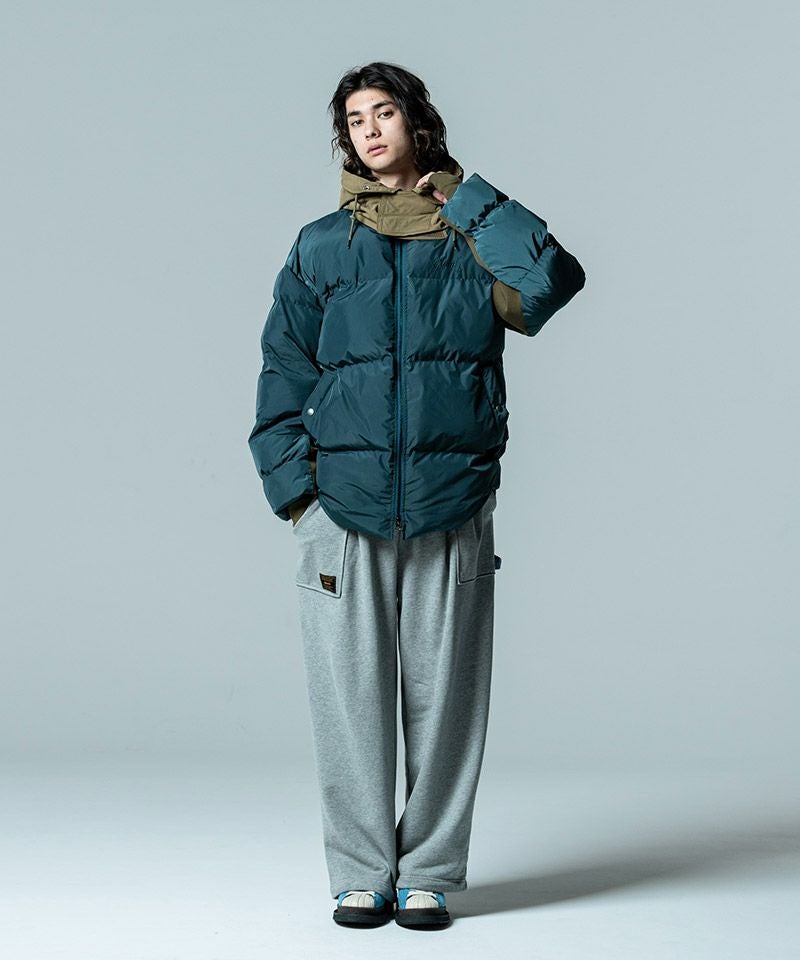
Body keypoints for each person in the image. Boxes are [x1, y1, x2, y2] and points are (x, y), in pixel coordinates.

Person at [247, 61, 586, 930]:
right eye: (354, 119)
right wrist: (298, 500)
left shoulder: (470, 238)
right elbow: (284, 370)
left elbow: (551, 283)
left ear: (416, 122)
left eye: (383, 113)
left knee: (448, 706)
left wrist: (468, 200)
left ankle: (429, 869)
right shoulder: (322, 246)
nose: (368, 131)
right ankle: (362, 871)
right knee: (350, 706)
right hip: (342, 512)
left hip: (451, 503)